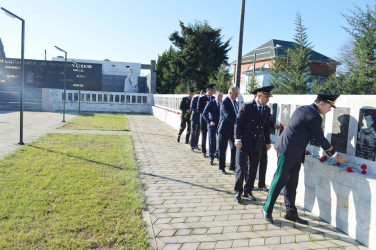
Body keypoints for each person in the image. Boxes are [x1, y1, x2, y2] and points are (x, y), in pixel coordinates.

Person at [262, 94, 348, 225]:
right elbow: (320, 138)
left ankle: (291, 212)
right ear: (321, 104)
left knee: (292, 183)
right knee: (279, 179)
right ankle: (266, 209)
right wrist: (336, 155)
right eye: (329, 106)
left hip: (296, 152)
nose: (330, 110)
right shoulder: (313, 116)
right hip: (287, 150)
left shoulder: (304, 109)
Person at [234, 86, 273, 204]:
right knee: (241, 168)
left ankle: (248, 190)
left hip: (258, 143)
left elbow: (266, 127)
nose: (268, 100)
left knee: (253, 168)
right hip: (244, 142)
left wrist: (267, 141)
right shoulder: (247, 106)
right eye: (266, 97)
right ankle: (238, 192)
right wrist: (237, 139)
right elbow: (238, 123)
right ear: (259, 96)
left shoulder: (266, 110)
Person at [217, 86, 240, 174]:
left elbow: (237, 114)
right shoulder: (225, 102)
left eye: (238, 94)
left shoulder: (235, 102)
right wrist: (239, 123)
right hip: (224, 129)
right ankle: (221, 167)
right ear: (230, 93)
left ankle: (232, 166)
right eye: (236, 94)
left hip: (233, 130)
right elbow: (229, 116)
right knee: (222, 149)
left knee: (234, 147)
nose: (237, 96)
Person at [257, 120, 281, 191]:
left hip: (263, 139)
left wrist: (273, 125)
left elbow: (266, 120)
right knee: (251, 163)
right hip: (252, 138)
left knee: (263, 161)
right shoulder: (250, 108)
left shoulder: (266, 109)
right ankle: (249, 184)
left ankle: (261, 183)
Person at [203, 90, 223, 165]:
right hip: (212, 125)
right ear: (215, 95)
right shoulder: (211, 103)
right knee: (212, 141)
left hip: (220, 125)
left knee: (220, 141)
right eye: (219, 95)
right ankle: (211, 157)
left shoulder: (223, 103)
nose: (220, 97)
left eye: (221, 96)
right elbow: (204, 114)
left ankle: (217, 154)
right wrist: (209, 121)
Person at [197, 84, 215, 157]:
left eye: (213, 90)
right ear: (207, 90)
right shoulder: (202, 98)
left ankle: (212, 152)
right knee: (204, 135)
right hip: (204, 119)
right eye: (211, 90)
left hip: (212, 120)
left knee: (212, 137)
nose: (212, 92)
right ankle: (203, 151)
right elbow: (199, 109)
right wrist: (206, 112)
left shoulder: (214, 98)